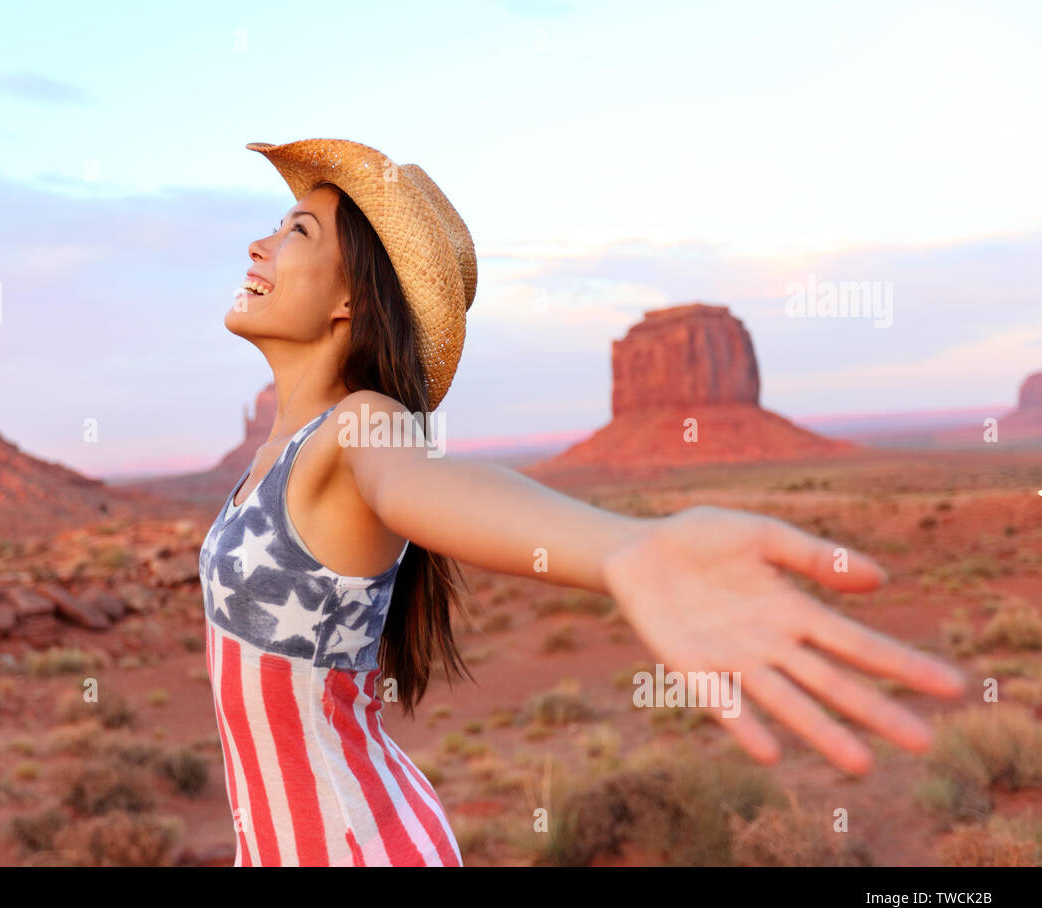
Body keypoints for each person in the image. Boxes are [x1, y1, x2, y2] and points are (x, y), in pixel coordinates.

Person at [198, 138, 966, 867]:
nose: (258, 247)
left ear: (349, 299)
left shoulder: (362, 424)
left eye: (296, 231)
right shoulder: (277, 454)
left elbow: (419, 480)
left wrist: (621, 547)